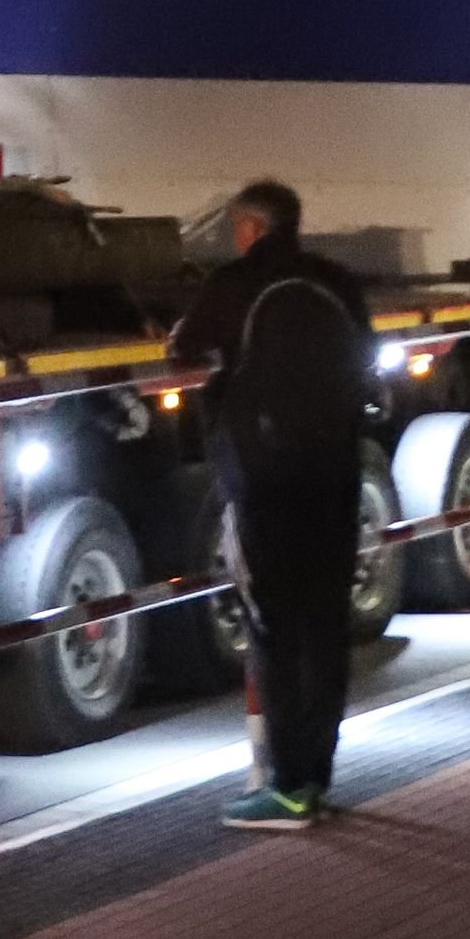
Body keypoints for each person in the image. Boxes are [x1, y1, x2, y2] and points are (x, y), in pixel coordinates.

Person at [166, 178, 378, 830]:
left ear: (250, 227)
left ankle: (284, 786)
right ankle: (314, 778)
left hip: (266, 481)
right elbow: (366, 356)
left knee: (276, 629)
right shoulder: (335, 282)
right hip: (336, 472)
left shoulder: (235, 282)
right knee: (325, 625)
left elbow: (182, 349)